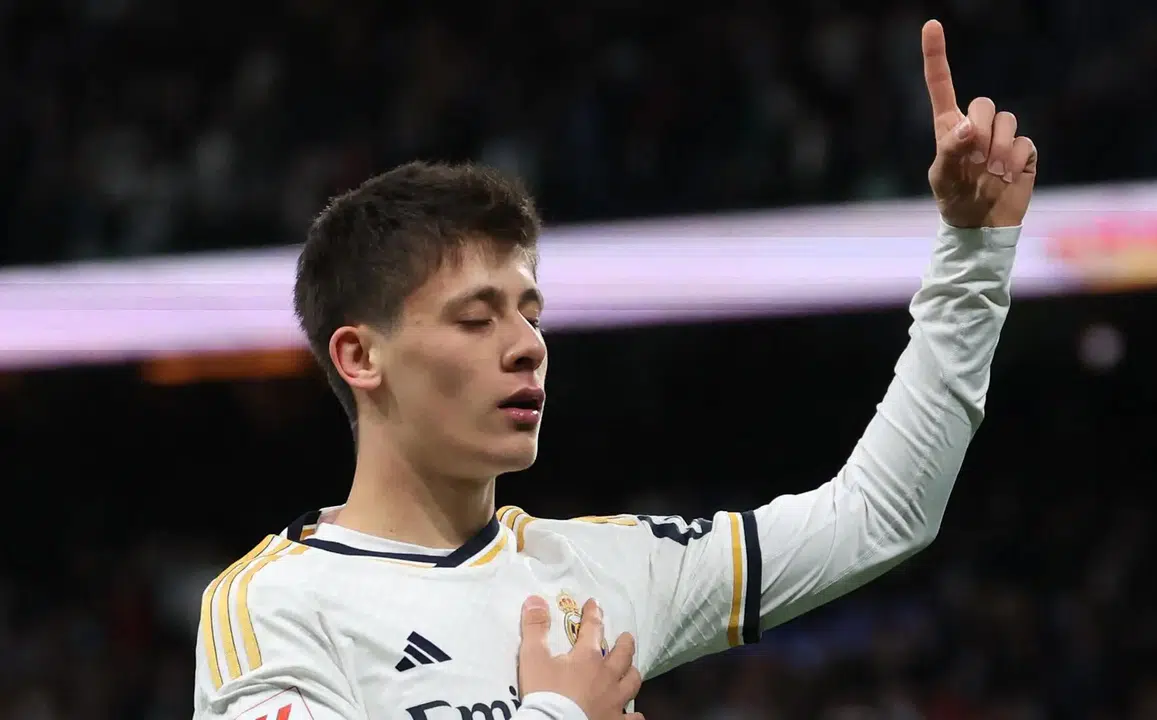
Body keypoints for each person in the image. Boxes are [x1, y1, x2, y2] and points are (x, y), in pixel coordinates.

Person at [192, 19, 1037, 720]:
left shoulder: (599, 572)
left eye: (530, 313)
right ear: (359, 355)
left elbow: (879, 516)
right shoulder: (272, 605)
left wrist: (973, 253)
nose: (526, 345)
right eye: (476, 318)